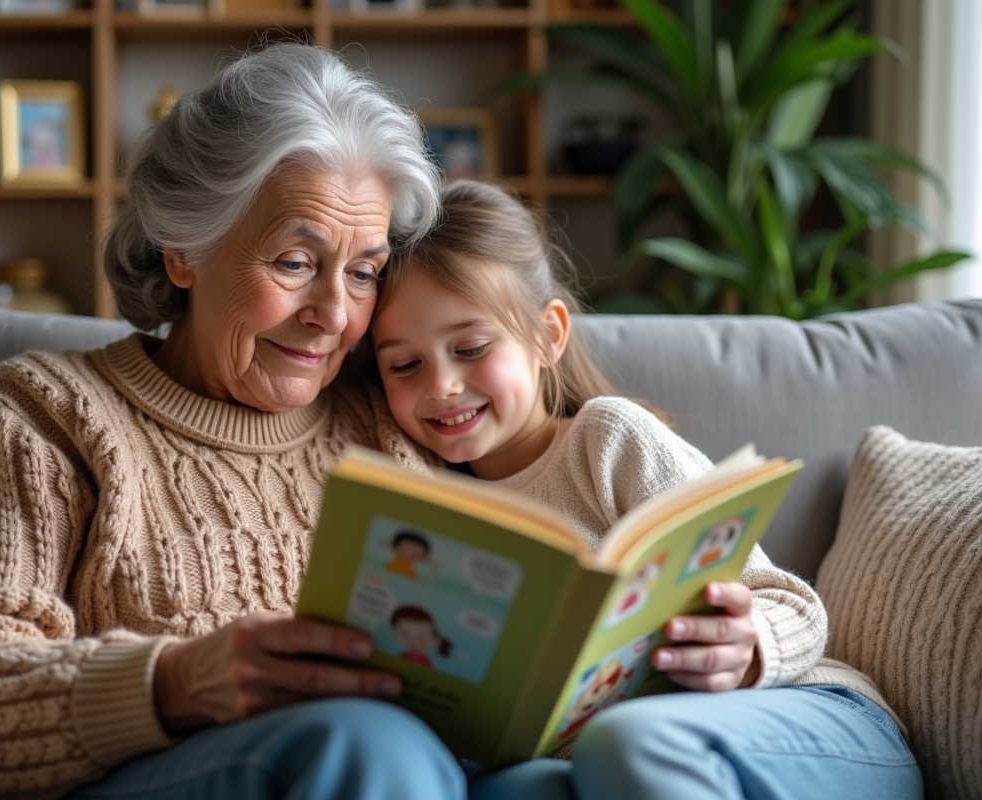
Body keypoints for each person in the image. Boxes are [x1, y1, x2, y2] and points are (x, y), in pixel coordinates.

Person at [0, 43, 468, 800]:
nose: (334, 314)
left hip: (424, 769)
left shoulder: (388, 407)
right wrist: (173, 680)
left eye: (363, 271)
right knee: (362, 741)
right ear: (183, 251)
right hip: (198, 774)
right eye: (296, 261)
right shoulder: (50, 415)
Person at [368, 179, 923, 799]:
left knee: (630, 739)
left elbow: (791, 604)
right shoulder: (430, 500)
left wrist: (751, 646)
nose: (441, 385)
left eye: (470, 347)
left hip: (808, 719)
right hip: (612, 763)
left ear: (548, 336)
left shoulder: (608, 440)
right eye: (405, 365)